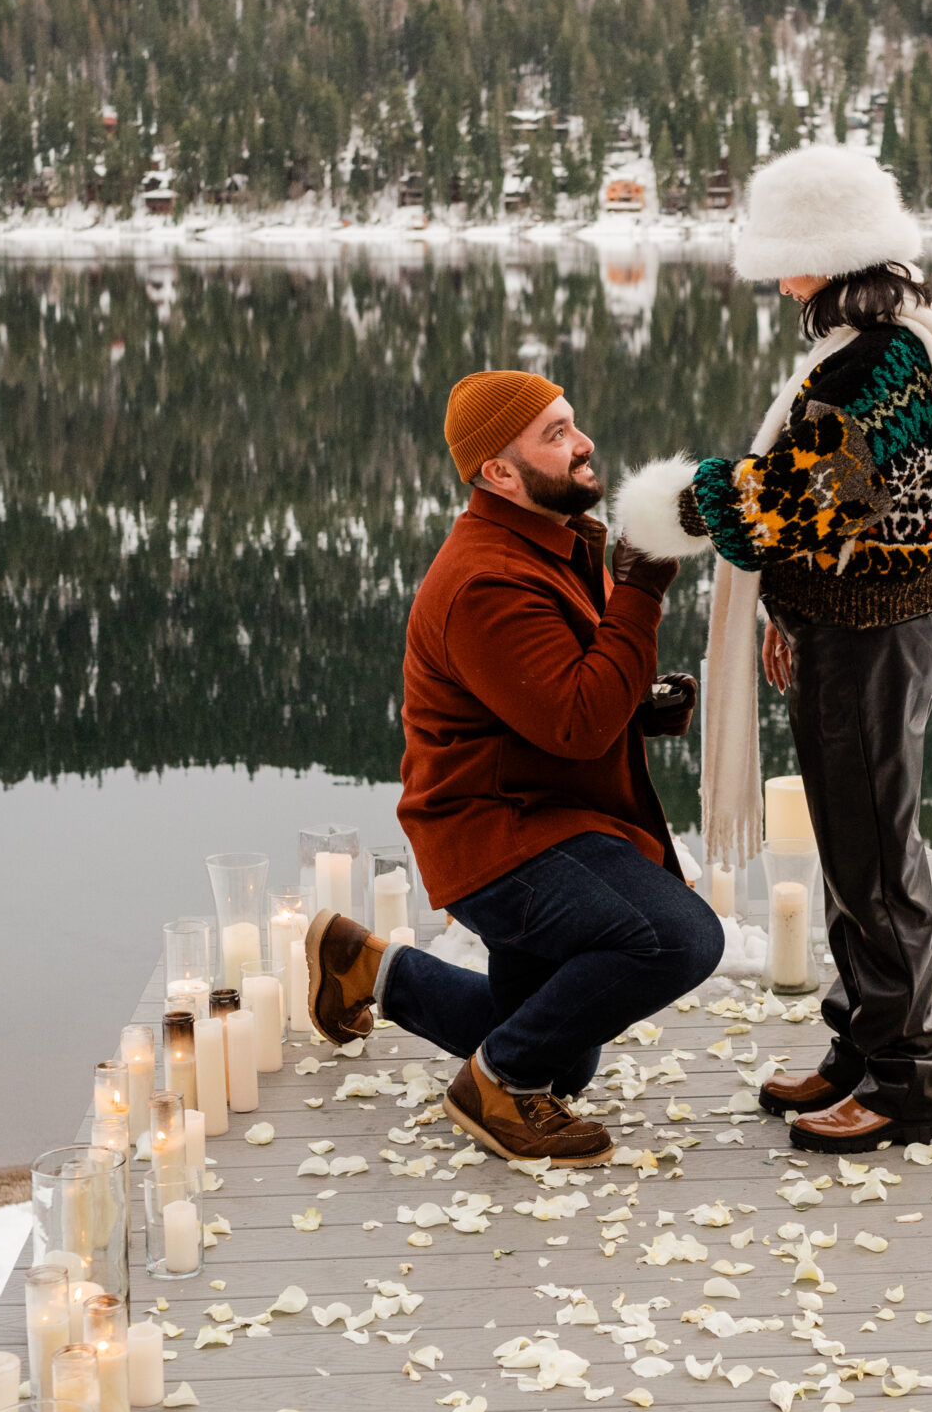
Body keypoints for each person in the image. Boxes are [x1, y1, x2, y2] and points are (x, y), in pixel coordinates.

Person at [613, 145, 932, 1153]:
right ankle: (862, 1043)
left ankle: (905, 1084)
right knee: (853, 844)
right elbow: (833, 515)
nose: (776, 277)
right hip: (854, 626)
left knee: (875, 851)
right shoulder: (881, 343)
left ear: (829, 254)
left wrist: (665, 510)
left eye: (785, 256)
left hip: (876, 635)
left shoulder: (882, 362)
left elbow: (792, 498)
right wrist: (792, 616)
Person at [304, 366, 722, 1164]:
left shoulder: (550, 543)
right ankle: (491, 1088)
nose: (583, 442)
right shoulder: (486, 580)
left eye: (573, 421)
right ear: (498, 471)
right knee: (677, 940)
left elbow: (556, 697)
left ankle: (364, 966)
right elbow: (571, 725)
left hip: (544, 812)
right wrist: (637, 600)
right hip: (496, 835)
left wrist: (634, 703)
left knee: (563, 1058)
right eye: (555, 434)